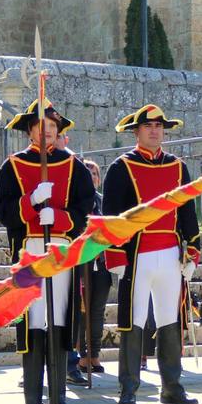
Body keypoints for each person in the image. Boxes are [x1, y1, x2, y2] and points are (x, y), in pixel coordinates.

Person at [0, 99, 95, 404]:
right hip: (29, 250)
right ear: (30, 131)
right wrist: (30, 203)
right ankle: (33, 399)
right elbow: (2, 211)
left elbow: (84, 208)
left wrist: (61, 217)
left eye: (52, 127)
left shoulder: (73, 165)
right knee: (34, 323)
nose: (47, 132)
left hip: (60, 251)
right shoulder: (12, 166)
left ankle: (59, 398)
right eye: (41, 127)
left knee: (59, 321)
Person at [102, 105, 202, 404]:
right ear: (137, 131)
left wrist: (193, 250)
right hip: (137, 254)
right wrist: (115, 255)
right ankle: (129, 386)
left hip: (170, 253)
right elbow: (111, 216)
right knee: (133, 321)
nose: (155, 131)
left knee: (170, 319)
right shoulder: (121, 167)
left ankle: (172, 385)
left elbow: (187, 211)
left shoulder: (177, 166)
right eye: (148, 126)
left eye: (159, 126)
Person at [76, 158, 112, 376]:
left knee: (97, 311)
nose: (92, 177)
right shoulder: (78, 202)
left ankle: (94, 354)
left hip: (102, 263)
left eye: (95, 173)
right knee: (81, 311)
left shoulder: (104, 203)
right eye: (87, 173)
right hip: (81, 263)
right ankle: (81, 356)